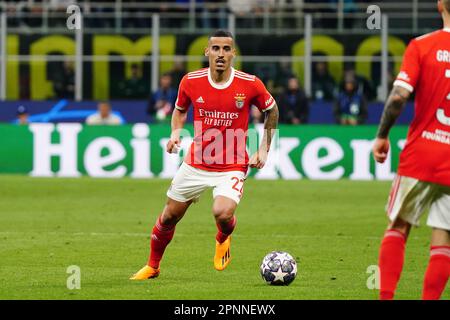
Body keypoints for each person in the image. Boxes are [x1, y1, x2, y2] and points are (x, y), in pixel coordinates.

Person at [130, 29, 279, 280]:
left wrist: (263, 147)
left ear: (233, 53)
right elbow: (179, 110)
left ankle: (223, 236)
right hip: (197, 162)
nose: (221, 54)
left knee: (222, 213)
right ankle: (153, 266)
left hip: (232, 163)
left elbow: (272, 111)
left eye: (226, 49)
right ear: (207, 51)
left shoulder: (250, 83)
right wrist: (176, 132)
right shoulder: (190, 81)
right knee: (169, 216)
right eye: (216, 48)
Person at [372, 0, 450, 300]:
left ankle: (386, 297)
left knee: (399, 226)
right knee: (443, 239)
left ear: (440, 5)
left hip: (423, 153)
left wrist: (382, 135)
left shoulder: (422, 45)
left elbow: (398, 97)